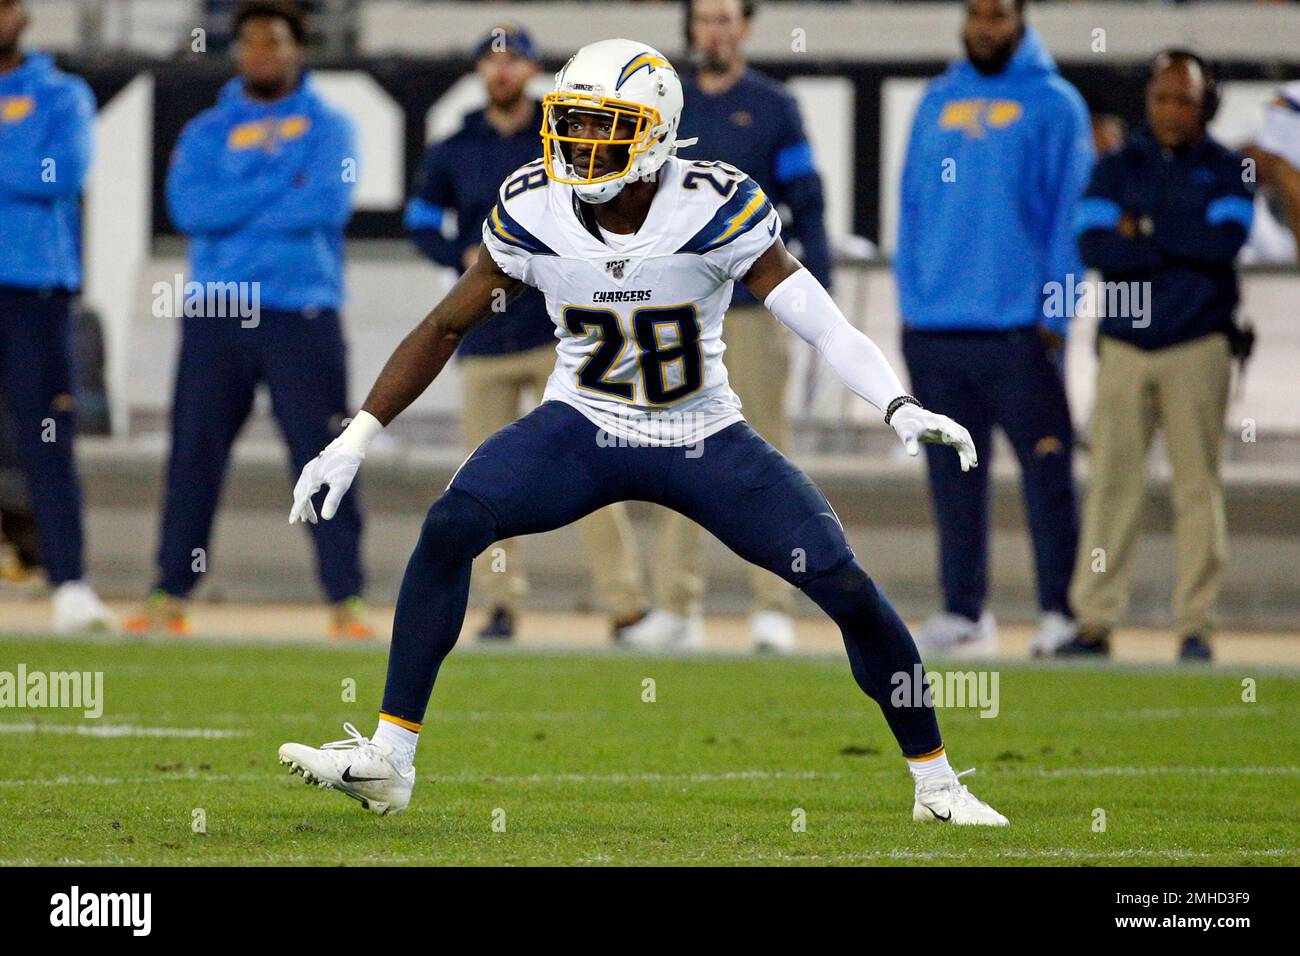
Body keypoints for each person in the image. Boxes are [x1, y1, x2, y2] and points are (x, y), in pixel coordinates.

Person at [278, 39, 1007, 827]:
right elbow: (445, 323)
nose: (579, 143)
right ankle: (390, 757)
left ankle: (937, 784)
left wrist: (898, 404)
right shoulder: (533, 205)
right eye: (572, 121)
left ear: (655, 133)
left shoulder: (713, 204)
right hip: (582, 427)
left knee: (842, 582)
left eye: (603, 124)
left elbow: (821, 323)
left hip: (704, 435)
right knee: (453, 522)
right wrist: (355, 438)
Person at [126, 1, 370, 639]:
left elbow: (325, 203)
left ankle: (346, 601)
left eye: (276, 40)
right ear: (237, 52)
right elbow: (190, 208)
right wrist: (279, 182)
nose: (263, 51)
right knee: (194, 456)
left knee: (322, 455)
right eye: (252, 41)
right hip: (217, 312)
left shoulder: (332, 127)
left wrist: (245, 202)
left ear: (298, 49)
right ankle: (169, 593)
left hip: (302, 310)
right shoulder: (207, 128)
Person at [407, 25, 647, 642]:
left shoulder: (568, 133)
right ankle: (501, 603)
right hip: (485, 335)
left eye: (513, 60)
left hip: (559, 332)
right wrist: (458, 253)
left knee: (598, 468)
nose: (502, 72)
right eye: (491, 61)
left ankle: (625, 603)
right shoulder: (455, 144)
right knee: (488, 479)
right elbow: (419, 220)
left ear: (534, 68)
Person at [619, 0, 833, 654]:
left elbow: (811, 206)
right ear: (690, 28)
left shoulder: (773, 106)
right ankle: (677, 605)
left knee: (764, 454)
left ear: (745, 27)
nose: (714, 30)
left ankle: (773, 605)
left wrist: (812, 303)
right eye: (704, 18)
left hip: (752, 306)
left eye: (725, 18)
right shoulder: (663, 104)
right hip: (674, 313)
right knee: (676, 454)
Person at [894, 0, 1094, 656]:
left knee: (1047, 476)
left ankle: (1060, 612)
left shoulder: (1057, 103)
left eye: (999, 15)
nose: (987, 26)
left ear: (1021, 19)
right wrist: (911, 303)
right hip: (935, 329)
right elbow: (912, 203)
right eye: (977, 13)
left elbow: (1071, 217)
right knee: (952, 477)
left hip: (1020, 331)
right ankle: (963, 612)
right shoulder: (936, 99)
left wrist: (1057, 315)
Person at [1059, 50, 1253, 663]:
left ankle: (1196, 624)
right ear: (1148, 101)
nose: (1173, 111)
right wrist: (1174, 236)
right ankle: (1094, 620)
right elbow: (1093, 243)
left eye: (1185, 100)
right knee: (1113, 486)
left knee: (1199, 488)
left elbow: (1224, 242)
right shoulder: (1117, 164)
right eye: (1164, 98)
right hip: (1125, 344)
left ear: (1206, 103)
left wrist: (1140, 230)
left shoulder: (1231, 168)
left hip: (1199, 343)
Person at [0, 0, 115, 631]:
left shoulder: (60, 93)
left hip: (32, 290)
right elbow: (29, 170)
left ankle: (70, 583)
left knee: (46, 439)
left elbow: (62, 172)